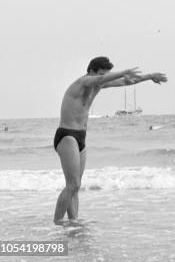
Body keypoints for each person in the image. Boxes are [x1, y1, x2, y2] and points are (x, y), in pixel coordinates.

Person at [53, 56, 167, 224]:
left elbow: (125, 82)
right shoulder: (83, 82)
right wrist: (122, 72)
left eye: (106, 74)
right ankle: (57, 223)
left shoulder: (98, 84)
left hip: (81, 137)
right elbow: (103, 78)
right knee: (72, 184)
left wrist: (149, 76)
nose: (104, 77)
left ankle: (72, 224)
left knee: (76, 187)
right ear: (91, 71)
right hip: (67, 135)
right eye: (101, 74)